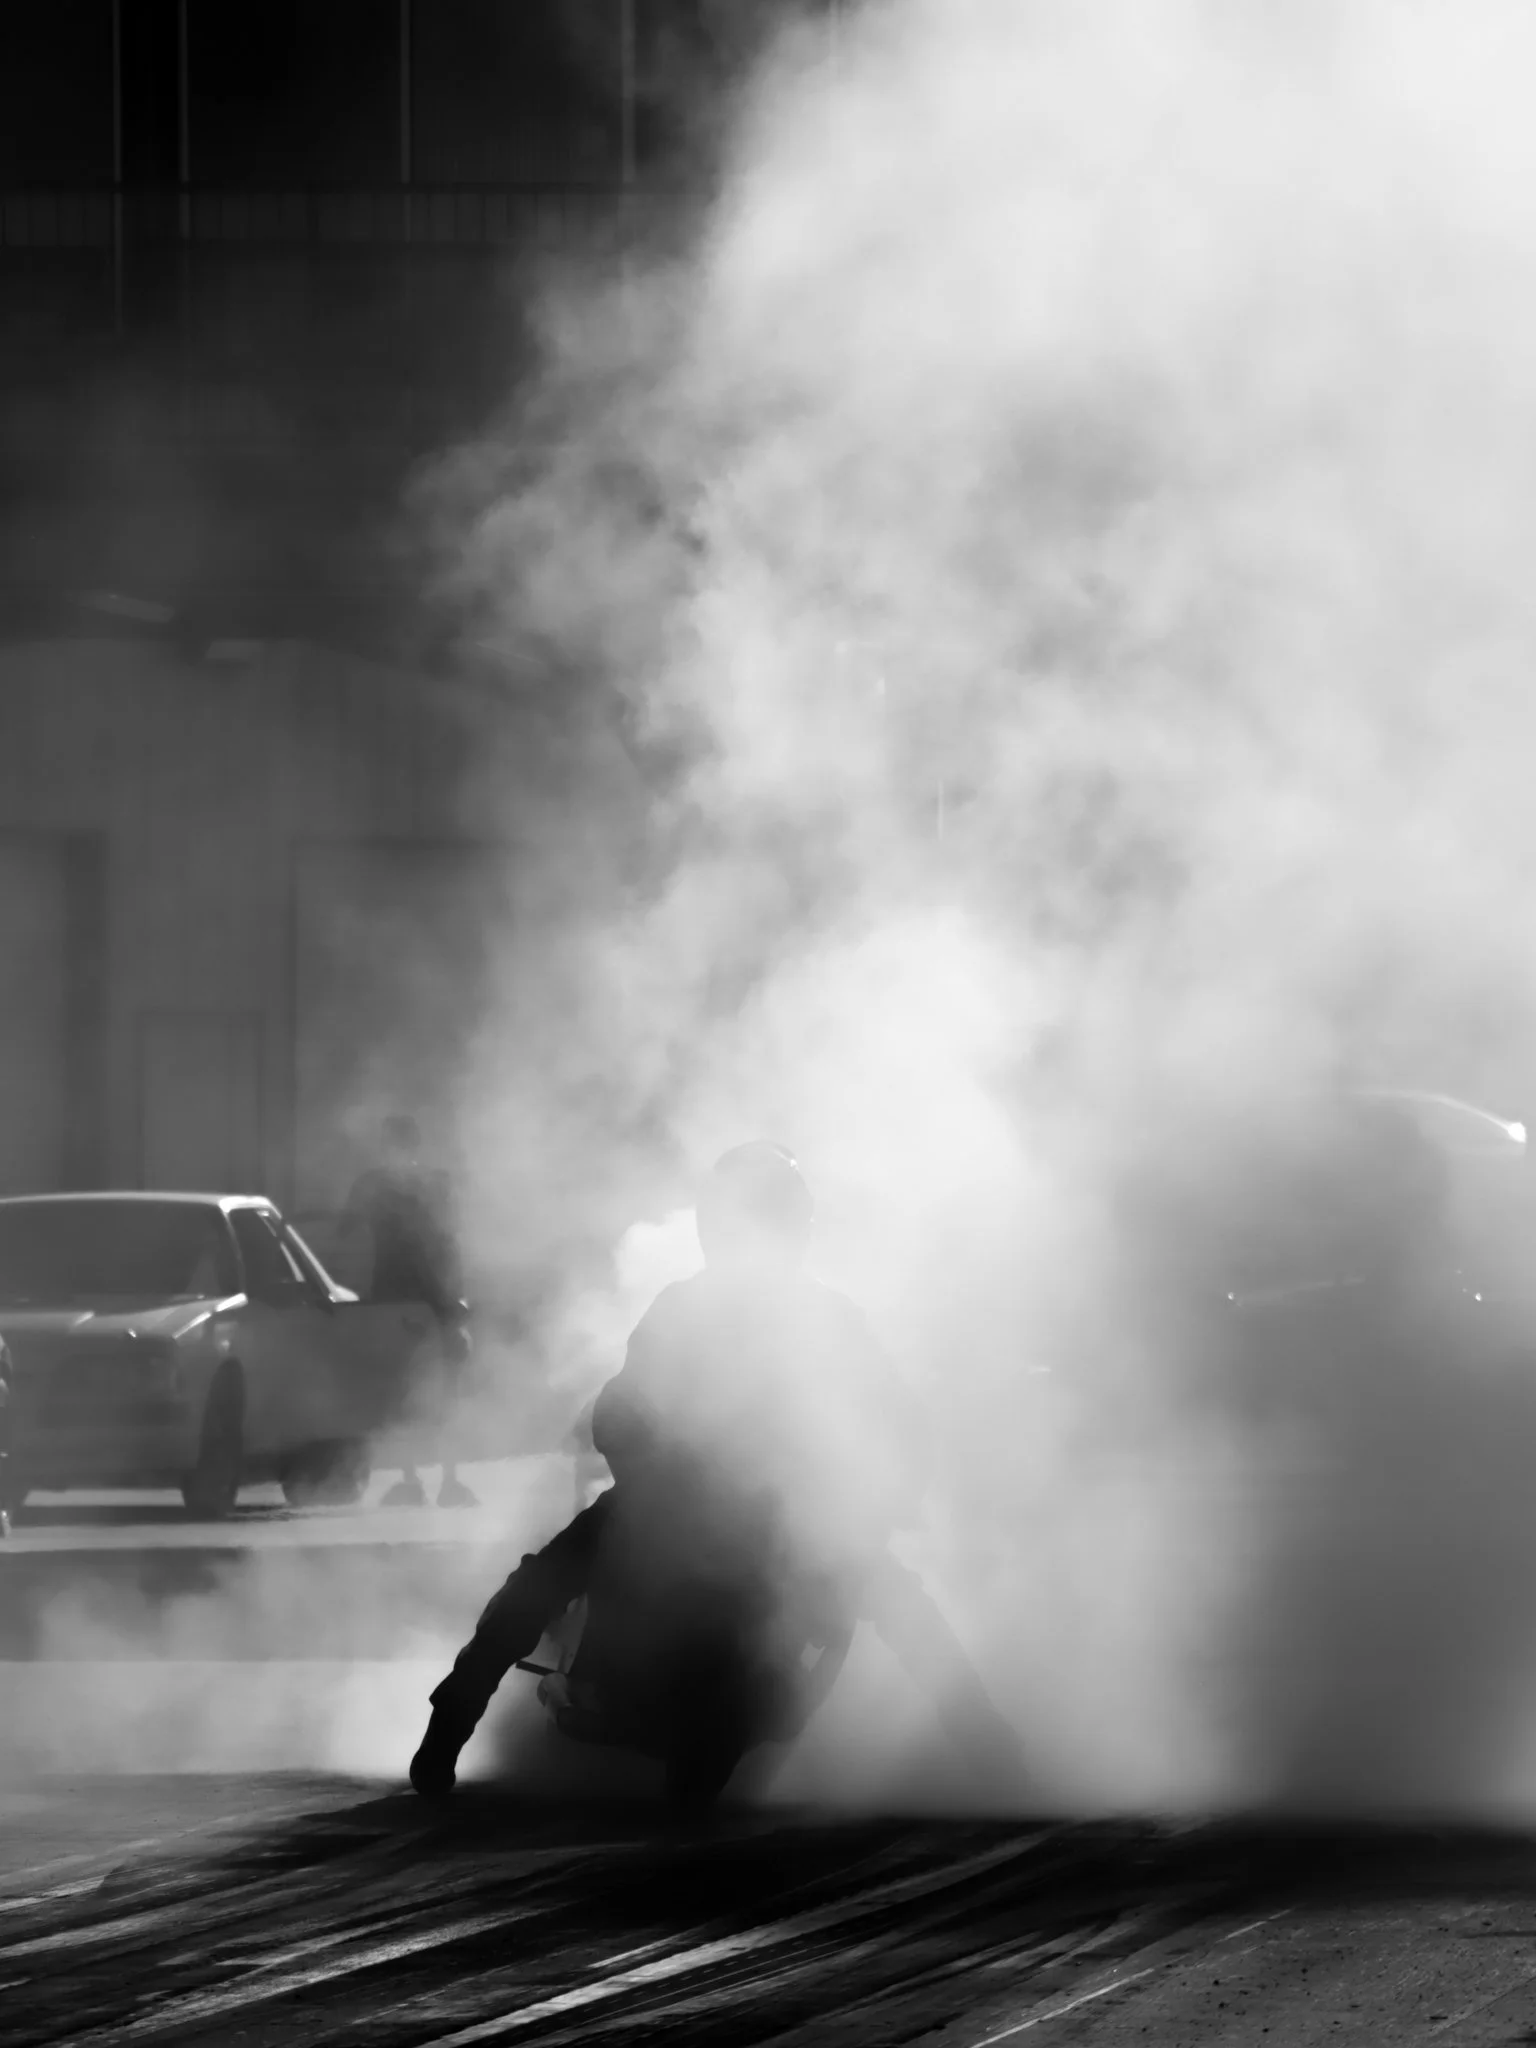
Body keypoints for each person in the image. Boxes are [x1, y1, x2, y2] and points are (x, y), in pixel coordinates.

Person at [410, 1141, 1021, 1803]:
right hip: (673, 1503)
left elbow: (900, 1421)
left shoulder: (826, 1320)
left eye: (760, 1218)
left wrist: (877, 1497)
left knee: (896, 1597)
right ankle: (450, 1722)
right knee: (542, 1577)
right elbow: (621, 1405)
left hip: (789, 1518)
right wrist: (640, 1460)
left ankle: (994, 1752)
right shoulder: (684, 1310)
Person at [338, 1113, 476, 1509]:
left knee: (407, 1393)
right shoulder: (432, 1186)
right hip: (428, 1302)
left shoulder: (373, 1186)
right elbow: (450, 1244)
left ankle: (417, 1481)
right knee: (437, 1394)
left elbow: (345, 1235)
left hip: (397, 1302)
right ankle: (443, 1480)